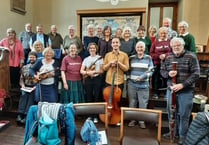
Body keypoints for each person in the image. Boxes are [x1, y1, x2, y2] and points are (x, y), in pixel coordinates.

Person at [160, 37, 200, 145]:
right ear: (171, 46)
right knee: (171, 113)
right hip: (171, 90)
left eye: (178, 45)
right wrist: (168, 74)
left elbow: (196, 74)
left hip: (185, 91)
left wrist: (182, 85)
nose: (176, 47)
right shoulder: (168, 57)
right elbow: (162, 71)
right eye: (174, 46)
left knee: (183, 114)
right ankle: (173, 131)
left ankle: (183, 136)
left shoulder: (191, 56)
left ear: (183, 46)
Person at [127, 41, 154, 129]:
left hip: (144, 85)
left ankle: (141, 121)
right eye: (138, 47)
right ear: (135, 48)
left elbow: (151, 71)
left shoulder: (148, 58)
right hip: (132, 85)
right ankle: (133, 120)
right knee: (132, 102)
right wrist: (129, 79)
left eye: (141, 47)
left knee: (143, 104)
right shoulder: (131, 58)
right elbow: (127, 70)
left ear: (144, 48)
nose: (140, 49)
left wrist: (142, 77)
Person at [80, 42, 103, 123]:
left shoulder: (100, 58)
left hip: (97, 79)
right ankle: (90, 116)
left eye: (94, 48)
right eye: (91, 48)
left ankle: (96, 116)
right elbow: (81, 71)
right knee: (89, 97)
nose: (92, 49)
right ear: (88, 49)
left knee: (97, 97)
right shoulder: (86, 59)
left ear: (96, 49)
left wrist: (94, 72)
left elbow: (101, 70)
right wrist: (88, 73)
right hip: (88, 80)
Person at [103, 37, 129, 106]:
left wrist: (119, 63)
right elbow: (104, 68)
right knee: (108, 100)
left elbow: (126, 68)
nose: (115, 44)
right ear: (111, 45)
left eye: (117, 42)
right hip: (109, 81)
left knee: (118, 101)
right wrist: (110, 63)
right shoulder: (107, 55)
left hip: (119, 81)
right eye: (113, 43)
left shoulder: (124, 55)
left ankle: (117, 115)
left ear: (120, 44)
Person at [150, 27, 172, 99]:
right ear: (159, 34)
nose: (163, 34)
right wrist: (159, 56)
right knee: (156, 78)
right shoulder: (155, 42)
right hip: (157, 63)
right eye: (162, 33)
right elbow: (151, 53)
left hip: (167, 64)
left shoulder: (170, 42)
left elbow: (172, 52)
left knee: (166, 78)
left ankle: (166, 93)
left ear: (167, 34)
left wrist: (165, 55)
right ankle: (155, 93)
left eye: (165, 33)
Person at [16, 51, 37, 124]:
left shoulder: (38, 68)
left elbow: (40, 80)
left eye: (33, 57)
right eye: (30, 57)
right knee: (24, 95)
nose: (32, 58)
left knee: (31, 97)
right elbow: (21, 79)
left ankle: (26, 115)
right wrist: (22, 85)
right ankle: (19, 114)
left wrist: (35, 87)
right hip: (25, 86)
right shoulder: (24, 67)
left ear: (36, 58)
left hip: (34, 87)